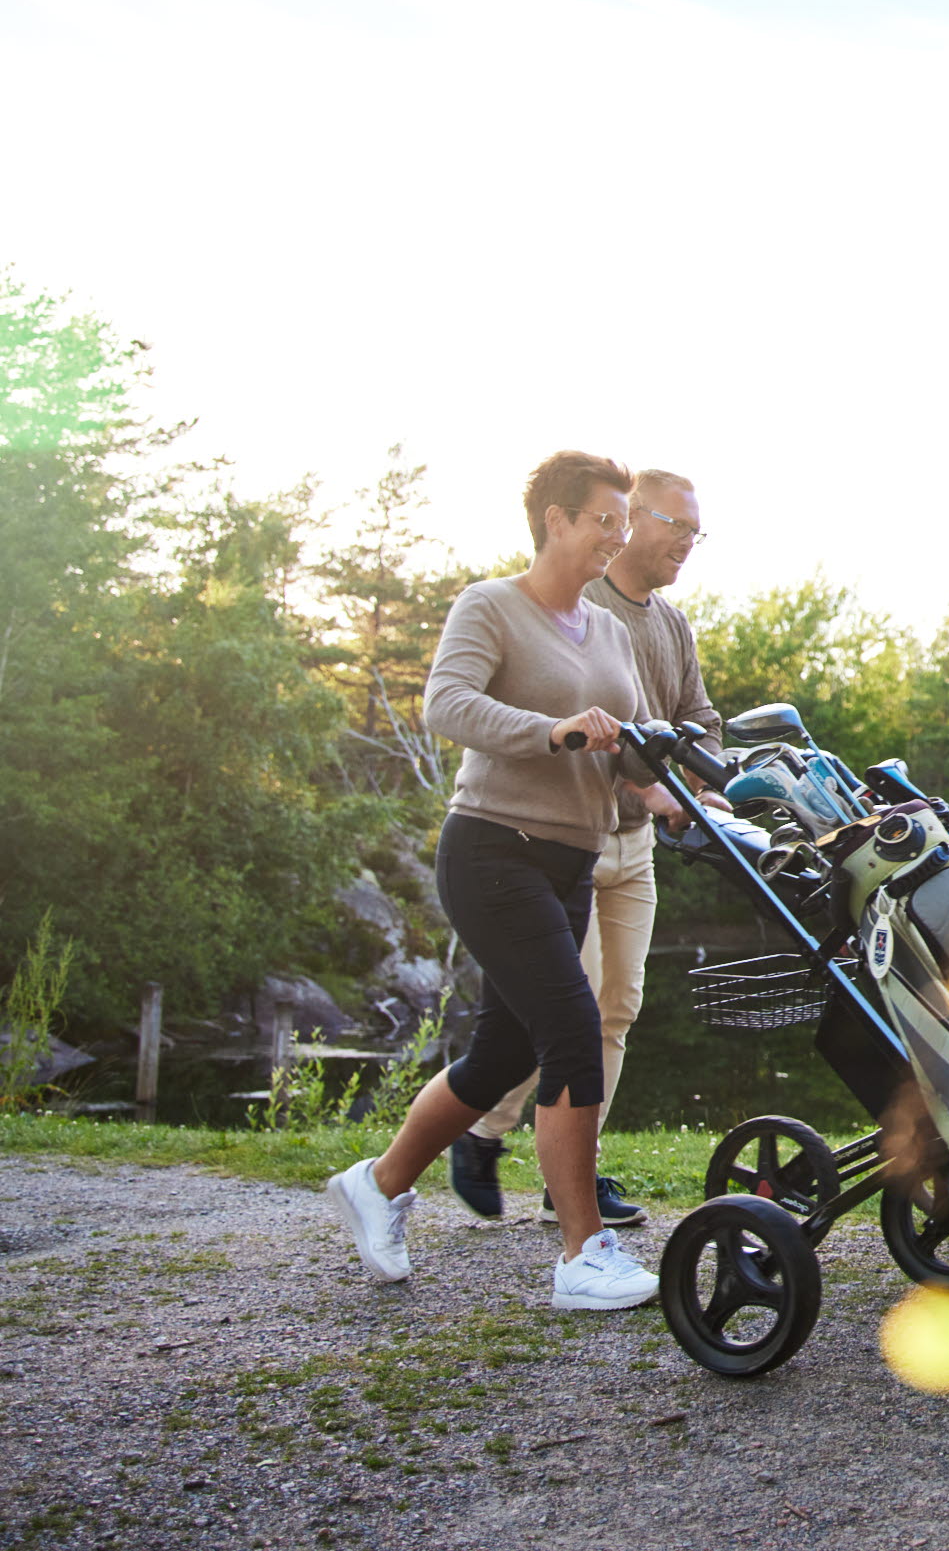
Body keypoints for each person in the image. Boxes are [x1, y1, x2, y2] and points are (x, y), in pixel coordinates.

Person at [324, 450, 660, 1310]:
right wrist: (553, 731)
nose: (616, 535)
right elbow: (446, 706)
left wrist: (657, 788)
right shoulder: (491, 606)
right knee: (574, 1027)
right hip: (492, 849)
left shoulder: (613, 630)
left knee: (501, 1052)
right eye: (604, 519)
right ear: (555, 520)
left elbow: (619, 743)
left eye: (622, 521)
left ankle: (380, 1180)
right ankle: (584, 1254)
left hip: (571, 862)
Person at [447, 469, 723, 1226]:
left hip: (633, 843)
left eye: (698, 533)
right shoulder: (571, 604)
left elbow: (690, 719)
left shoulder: (665, 623)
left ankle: (566, 1173)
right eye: (680, 528)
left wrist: (702, 783)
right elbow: (564, 729)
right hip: (560, 836)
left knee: (615, 1009)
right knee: (563, 1014)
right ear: (630, 520)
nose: (689, 545)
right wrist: (638, 780)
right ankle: (484, 1131)